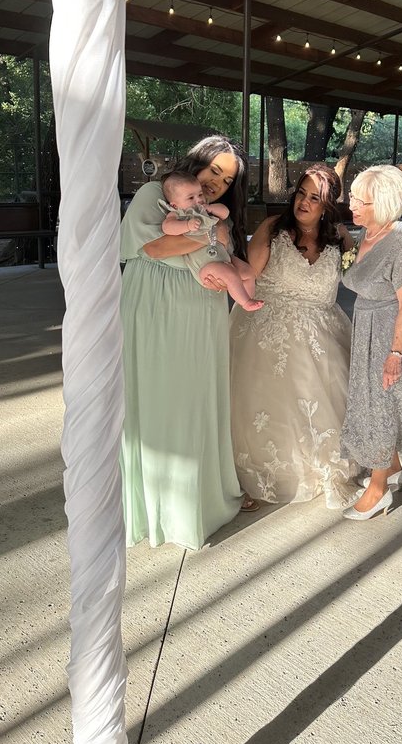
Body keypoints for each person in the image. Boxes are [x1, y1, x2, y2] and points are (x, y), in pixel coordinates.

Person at [119, 135, 257, 551]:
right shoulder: (154, 193)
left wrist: (216, 235)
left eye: (227, 180)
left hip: (202, 305)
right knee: (159, 396)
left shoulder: (215, 214)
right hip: (155, 300)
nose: (217, 183)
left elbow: (227, 256)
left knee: (196, 397)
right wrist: (212, 234)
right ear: (196, 162)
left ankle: (202, 497)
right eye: (214, 170)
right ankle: (156, 507)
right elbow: (156, 247)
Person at [229, 164, 360, 508]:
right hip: (269, 331)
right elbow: (248, 275)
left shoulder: (339, 238)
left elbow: (358, 277)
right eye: (301, 193)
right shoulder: (273, 228)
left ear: (328, 205)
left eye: (314, 198)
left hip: (325, 331)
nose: (304, 202)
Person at [340, 164, 402, 521]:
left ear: (382, 204)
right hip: (367, 323)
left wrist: (395, 353)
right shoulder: (366, 233)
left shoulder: (400, 240)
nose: (352, 205)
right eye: (352, 197)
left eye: (361, 201)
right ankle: (394, 465)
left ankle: (379, 488)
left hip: (392, 328)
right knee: (371, 399)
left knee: (382, 404)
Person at [159, 169, 263, 311]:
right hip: (206, 265)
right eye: (191, 198)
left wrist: (210, 208)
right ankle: (246, 302)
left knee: (248, 272)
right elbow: (167, 228)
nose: (198, 200)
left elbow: (225, 213)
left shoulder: (206, 208)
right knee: (230, 274)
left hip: (224, 256)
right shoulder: (177, 214)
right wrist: (186, 225)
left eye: (200, 194)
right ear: (174, 205)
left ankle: (246, 301)